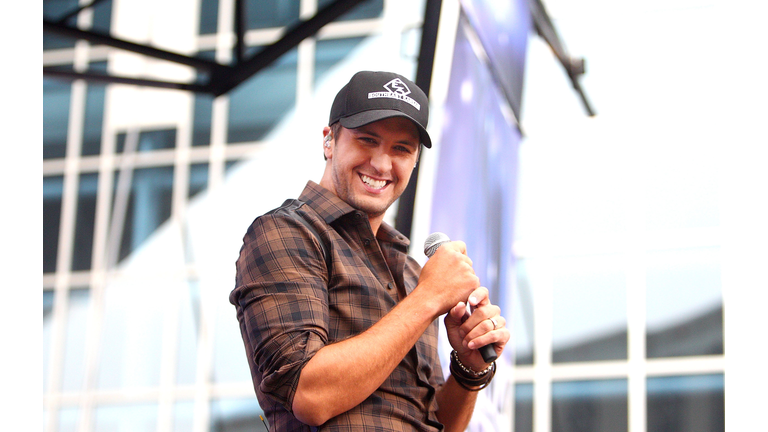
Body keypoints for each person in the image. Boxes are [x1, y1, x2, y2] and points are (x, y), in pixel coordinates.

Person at [230, 71, 510, 431]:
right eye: (367, 140)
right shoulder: (287, 232)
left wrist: (468, 368)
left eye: (401, 149)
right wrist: (428, 299)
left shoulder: (411, 272)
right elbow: (310, 396)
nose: (381, 164)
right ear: (329, 141)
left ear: (414, 163)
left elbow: (432, 422)